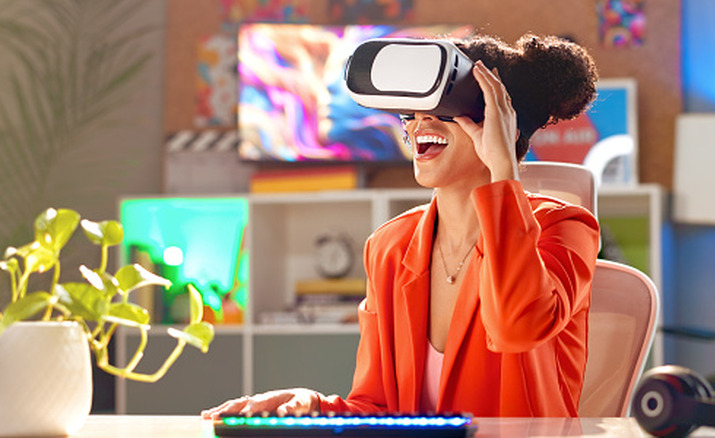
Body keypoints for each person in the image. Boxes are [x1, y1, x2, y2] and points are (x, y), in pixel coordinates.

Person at [202, 32, 600, 419]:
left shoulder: (566, 227)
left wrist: (502, 170)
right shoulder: (390, 246)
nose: (417, 123)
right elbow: (377, 408)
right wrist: (314, 405)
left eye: (443, 109)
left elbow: (516, 328)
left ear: (502, 124)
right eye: (411, 112)